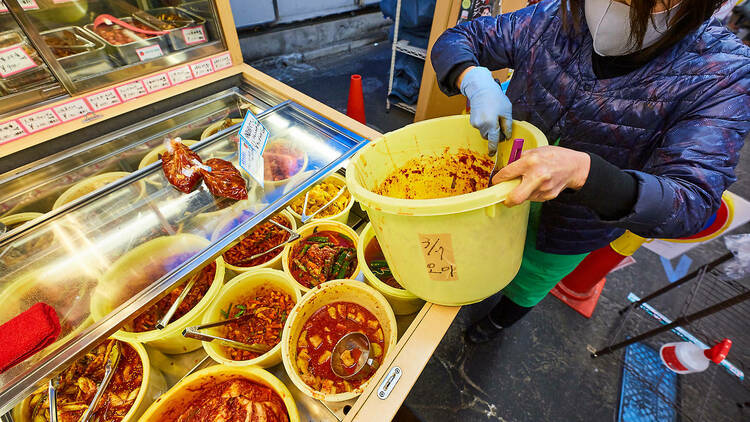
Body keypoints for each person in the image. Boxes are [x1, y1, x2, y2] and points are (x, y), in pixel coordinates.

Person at [430, 0, 750, 343]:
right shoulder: (559, 16)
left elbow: (691, 202)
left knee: (533, 279)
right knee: (482, 254)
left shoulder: (722, 72)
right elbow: (461, 38)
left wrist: (586, 174)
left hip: (576, 223)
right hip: (500, 190)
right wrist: (472, 76)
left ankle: (494, 323)